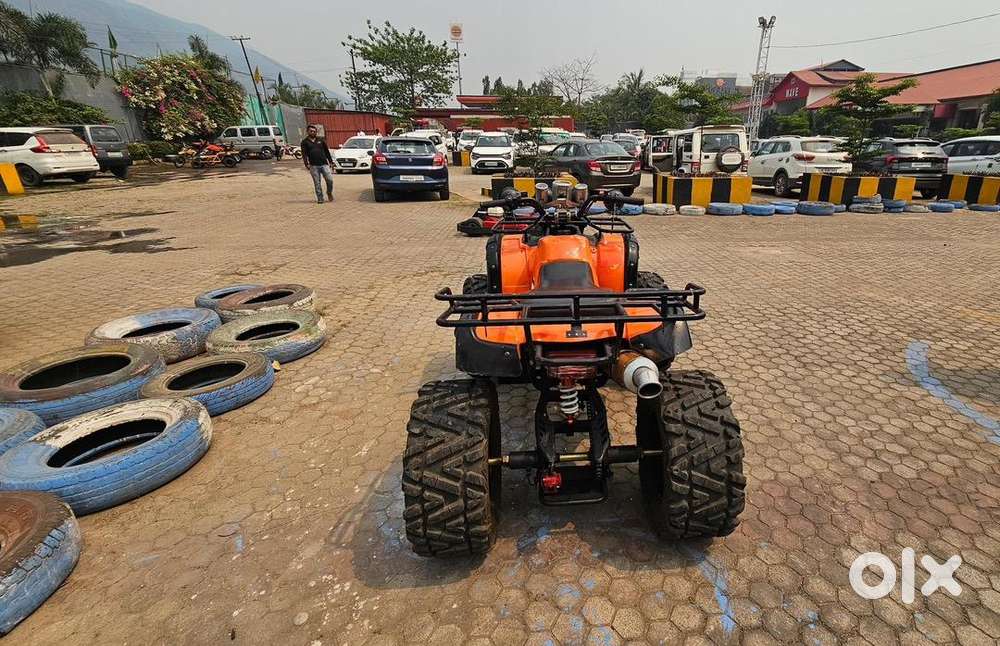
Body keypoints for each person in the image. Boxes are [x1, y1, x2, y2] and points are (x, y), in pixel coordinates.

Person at [301, 124, 334, 203]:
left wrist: (331, 161)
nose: (313, 132)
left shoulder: (321, 140)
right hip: (313, 165)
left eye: (314, 131)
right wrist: (306, 164)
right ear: (308, 132)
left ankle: (329, 192)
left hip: (324, 164)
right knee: (317, 183)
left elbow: (326, 151)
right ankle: (320, 198)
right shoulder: (305, 142)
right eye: (311, 131)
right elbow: (304, 154)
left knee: (330, 180)